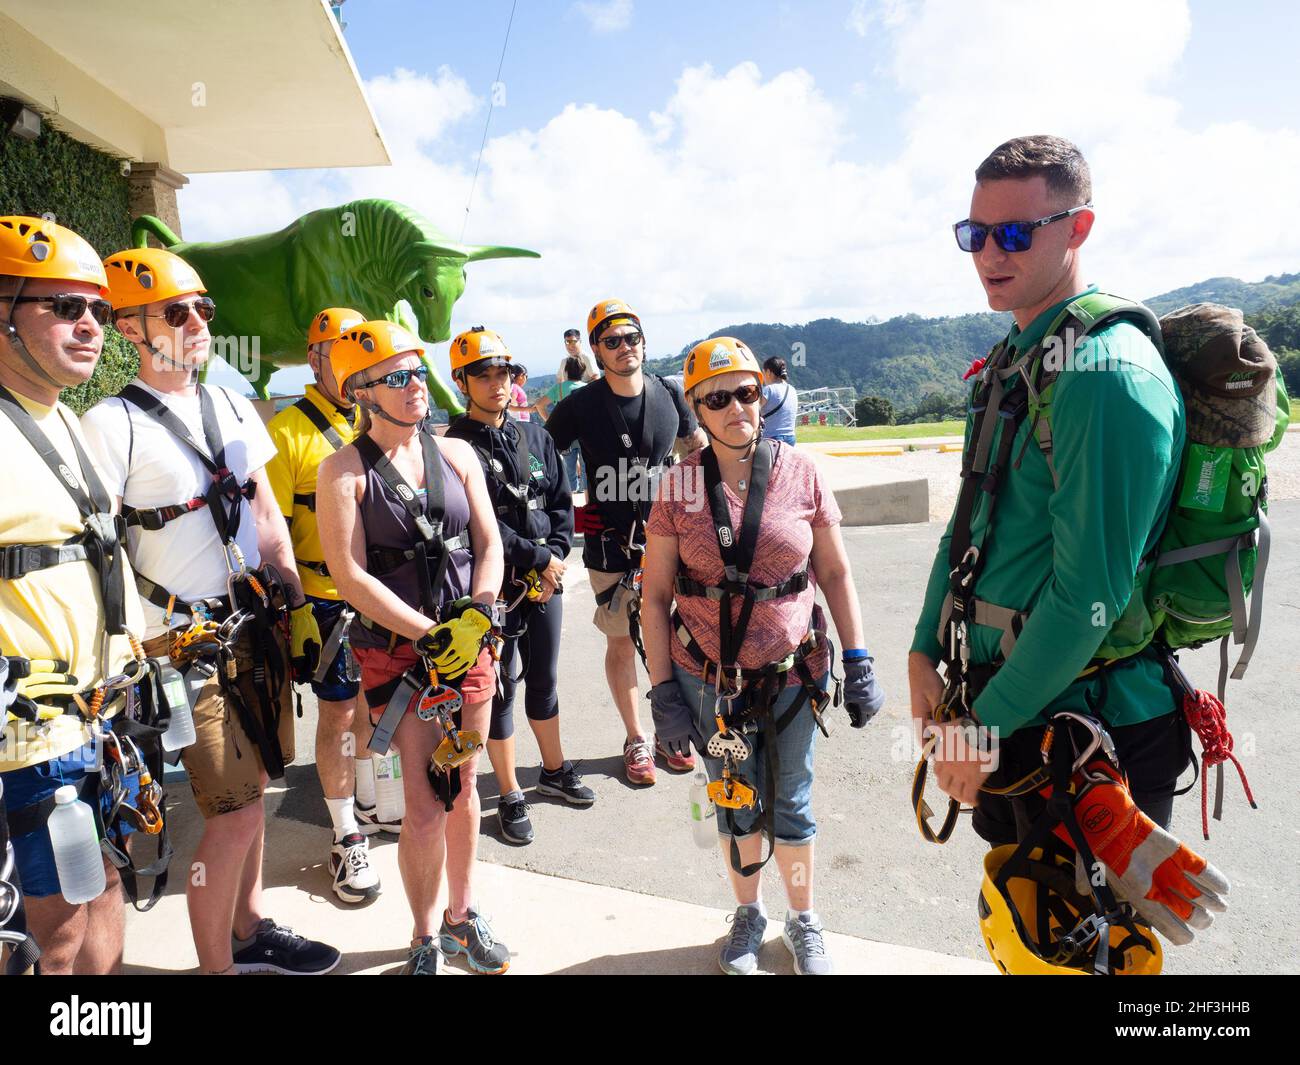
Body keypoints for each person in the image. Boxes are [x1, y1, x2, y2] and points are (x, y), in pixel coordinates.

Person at [909, 136, 1206, 966]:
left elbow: (1089, 599)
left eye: (1015, 233)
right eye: (975, 235)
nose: (989, 256)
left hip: (1093, 729)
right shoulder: (1015, 358)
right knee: (1024, 940)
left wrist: (980, 730)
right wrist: (924, 644)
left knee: (1091, 955)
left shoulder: (1106, 374)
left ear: (1078, 228)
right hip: (1015, 714)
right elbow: (968, 523)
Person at [80, 246, 339, 975]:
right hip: (182, 649)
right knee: (235, 812)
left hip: (253, 627)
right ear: (130, 327)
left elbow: (260, 505)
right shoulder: (111, 423)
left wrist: (295, 596)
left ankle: (249, 927)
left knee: (257, 789)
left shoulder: (225, 400)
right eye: (176, 310)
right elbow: (97, 552)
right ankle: (214, 966)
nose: (197, 321)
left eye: (203, 309)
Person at [642, 336, 883, 975]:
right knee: (732, 797)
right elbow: (656, 594)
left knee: (793, 800)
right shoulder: (677, 487)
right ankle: (748, 915)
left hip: (791, 672)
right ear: (696, 407)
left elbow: (834, 571)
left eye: (747, 393)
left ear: (763, 396)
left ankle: (805, 920)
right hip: (706, 678)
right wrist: (663, 691)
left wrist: (858, 658)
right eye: (717, 399)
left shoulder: (801, 473)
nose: (735, 408)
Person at [315, 320, 511, 975]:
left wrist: (478, 615)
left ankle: (462, 915)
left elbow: (491, 542)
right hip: (402, 660)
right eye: (395, 377)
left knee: (466, 786)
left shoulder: (457, 454)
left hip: (471, 647)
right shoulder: (343, 472)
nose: (413, 386)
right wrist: (430, 635)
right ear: (361, 392)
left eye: (416, 372)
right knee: (426, 804)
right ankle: (425, 933)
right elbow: (350, 575)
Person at [0, 216, 149, 975]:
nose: (89, 324)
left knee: (107, 888)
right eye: (63, 306)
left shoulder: (65, 420)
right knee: (51, 929)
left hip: (97, 721)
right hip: (27, 736)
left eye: (95, 309)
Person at [545, 298, 707, 785]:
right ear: (596, 350)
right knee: (620, 638)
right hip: (609, 543)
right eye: (611, 341)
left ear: (643, 341)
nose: (623, 348)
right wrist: (563, 514)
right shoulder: (579, 406)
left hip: (669, 538)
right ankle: (637, 736)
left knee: (681, 637)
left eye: (631, 338)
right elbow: (542, 460)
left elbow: (697, 453)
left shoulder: (669, 394)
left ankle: (670, 728)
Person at [444, 327, 592, 845]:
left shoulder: (535, 435)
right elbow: (478, 522)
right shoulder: (454, 446)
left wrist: (554, 557)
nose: (495, 382)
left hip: (543, 580)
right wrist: (539, 560)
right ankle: (507, 792)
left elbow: (559, 501)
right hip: (492, 586)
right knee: (499, 689)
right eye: (482, 374)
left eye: (503, 371)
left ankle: (552, 770)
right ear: (462, 381)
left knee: (545, 679)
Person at [265, 307, 387, 905]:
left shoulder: (379, 415)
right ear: (314, 359)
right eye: (336, 353)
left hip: (382, 596)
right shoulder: (287, 431)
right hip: (325, 601)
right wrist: (294, 608)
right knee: (338, 716)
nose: (347, 366)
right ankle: (345, 834)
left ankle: (369, 793)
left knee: (376, 703)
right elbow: (272, 528)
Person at [535, 354, 587, 492]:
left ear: (566, 371)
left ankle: (571, 501)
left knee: (569, 470)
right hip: (584, 434)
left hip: (565, 435)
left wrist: (552, 421)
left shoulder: (558, 389)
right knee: (586, 468)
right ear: (583, 371)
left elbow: (539, 405)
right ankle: (587, 499)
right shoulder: (589, 389)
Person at [760, 357, 798, 446]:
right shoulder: (792, 389)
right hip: (790, 438)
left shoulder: (769, 390)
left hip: (772, 439)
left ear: (768, 372)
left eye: (763, 373)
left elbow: (754, 410)